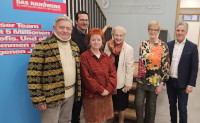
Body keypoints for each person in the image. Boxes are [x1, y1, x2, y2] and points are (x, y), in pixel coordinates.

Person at [27, 16, 81, 123]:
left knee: (66, 121)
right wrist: (38, 98)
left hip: (70, 94)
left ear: (72, 30)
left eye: (68, 28)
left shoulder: (74, 46)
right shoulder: (42, 46)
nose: (65, 31)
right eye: (61, 27)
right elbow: (33, 74)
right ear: (54, 28)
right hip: (50, 97)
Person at [135, 21, 170, 123]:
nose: (153, 32)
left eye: (155, 30)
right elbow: (141, 62)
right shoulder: (143, 44)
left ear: (159, 31)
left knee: (151, 107)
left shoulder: (163, 46)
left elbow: (165, 66)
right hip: (142, 80)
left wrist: (162, 84)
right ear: (148, 30)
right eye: (151, 29)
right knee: (138, 103)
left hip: (155, 81)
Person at [80, 28, 117, 123]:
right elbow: (86, 78)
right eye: (93, 40)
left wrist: (108, 89)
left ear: (102, 41)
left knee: (106, 119)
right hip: (92, 97)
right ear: (89, 42)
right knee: (93, 120)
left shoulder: (106, 57)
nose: (96, 42)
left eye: (99, 39)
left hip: (106, 95)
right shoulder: (84, 57)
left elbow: (113, 74)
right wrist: (101, 90)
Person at [167, 21, 199, 123]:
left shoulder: (192, 47)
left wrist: (191, 84)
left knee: (182, 108)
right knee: (172, 106)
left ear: (186, 32)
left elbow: (195, 68)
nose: (180, 33)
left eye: (182, 30)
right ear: (175, 31)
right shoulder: (169, 45)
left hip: (184, 83)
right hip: (170, 82)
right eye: (178, 30)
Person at [104, 26, 134, 123]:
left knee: (121, 106)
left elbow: (130, 67)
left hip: (121, 82)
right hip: (109, 81)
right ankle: (110, 120)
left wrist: (128, 83)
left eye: (121, 35)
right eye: (116, 35)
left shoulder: (128, 49)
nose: (118, 37)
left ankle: (121, 121)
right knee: (109, 105)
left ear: (124, 36)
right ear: (113, 34)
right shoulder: (107, 45)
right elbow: (104, 62)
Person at [71, 11, 89, 123]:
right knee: (74, 109)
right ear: (76, 22)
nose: (84, 22)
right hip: (75, 78)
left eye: (86, 20)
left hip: (83, 77)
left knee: (78, 108)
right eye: (82, 20)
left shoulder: (86, 36)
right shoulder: (72, 36)